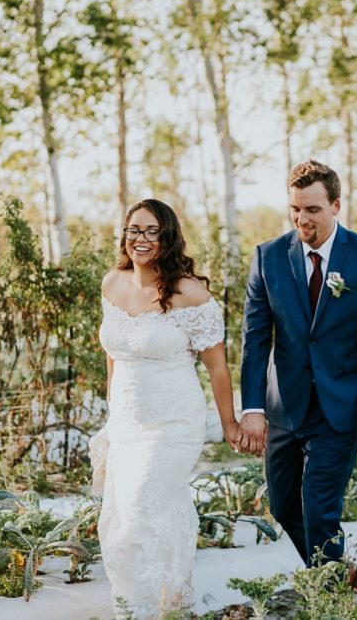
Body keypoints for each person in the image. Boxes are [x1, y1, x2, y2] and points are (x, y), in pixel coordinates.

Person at [238, 160, 357, 586]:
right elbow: (255, 341)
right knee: (283, 507)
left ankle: (329, 597)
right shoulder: (268, 258)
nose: (301, 219)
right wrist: (252, 407)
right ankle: (338, 571)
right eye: (295, 209)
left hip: (340, 408)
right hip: (284, 409)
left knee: (319, 505)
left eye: (312, 209)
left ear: (336, 205)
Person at [94, 199, 242, 618]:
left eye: (151, 231)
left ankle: (157, 605)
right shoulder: (112, 283)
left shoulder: (190, 293)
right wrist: (112, 413)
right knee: (121, 518)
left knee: (144, 503)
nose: (140, 239)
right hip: (126, 423)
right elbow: (113, 355)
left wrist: (229, 423)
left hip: (173, 422)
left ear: (168, 236)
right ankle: (145, 605)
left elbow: (217, 367)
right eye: (134, 230)